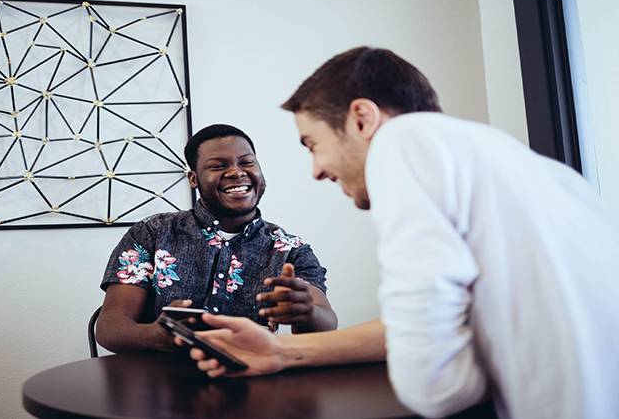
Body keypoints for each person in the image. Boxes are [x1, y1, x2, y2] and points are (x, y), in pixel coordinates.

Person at [183, 47, 619, 419]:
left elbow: (438, 387)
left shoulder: (403, 143)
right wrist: (280, 352)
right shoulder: (526, 167)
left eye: (312, 144)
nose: (316, 170)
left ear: (362, 118)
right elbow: (427, 325)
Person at [96, 124, 338, 354]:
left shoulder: (290, 249)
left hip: (253, 378)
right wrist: (152, 335)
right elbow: (109, 327)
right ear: (193, 178)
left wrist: (307, 312)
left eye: (247, 162)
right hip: (159, 383)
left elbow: (326, 322)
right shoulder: (153, 232)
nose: (236, 171)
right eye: (217, 166)